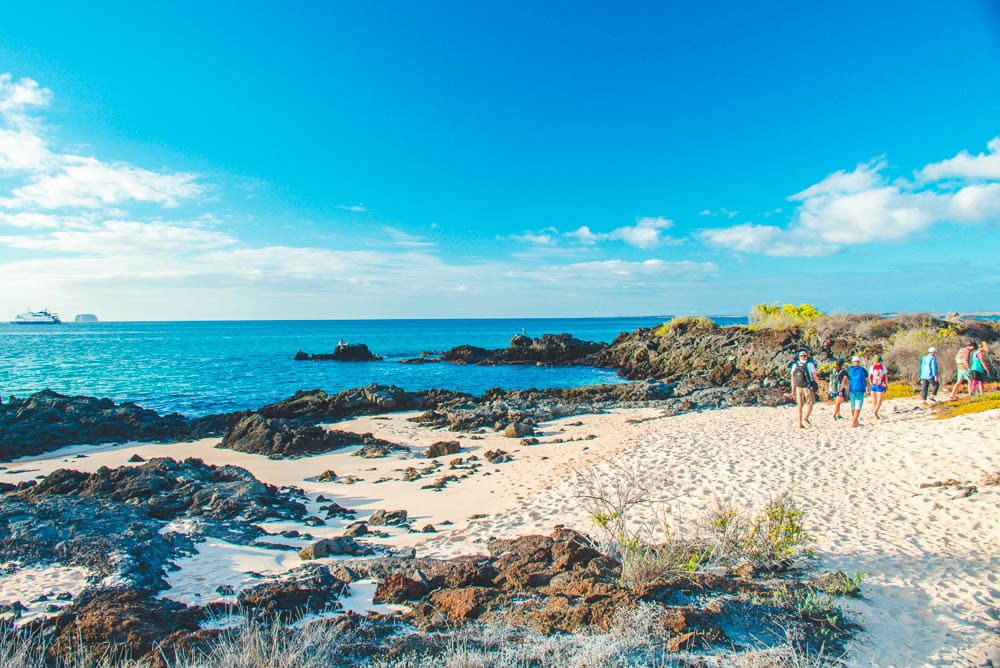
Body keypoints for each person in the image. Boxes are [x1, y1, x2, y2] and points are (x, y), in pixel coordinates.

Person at [790, 350, 818, 428]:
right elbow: (814, 376)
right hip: (807, 387)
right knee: (810, 403)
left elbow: (792, 378)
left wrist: (793, 389)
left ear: (799, 357)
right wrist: (818, 384)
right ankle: (805, 418)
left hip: (798, 387)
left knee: (799, 405)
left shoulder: (795, 365)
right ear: (806, 356)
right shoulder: (809, 364)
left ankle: (799, 423)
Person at [842, 355, 870, 427]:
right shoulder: (863, 370)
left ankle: (855, 420)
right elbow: (867, 380)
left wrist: (846, 387)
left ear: (852, 362)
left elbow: (844, 380)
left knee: (853, 405)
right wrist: (868, 388)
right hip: (860, 389)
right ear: (859, 362)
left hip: (852, 389)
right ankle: (854, 421)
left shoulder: (848, 369)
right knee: (858, 406)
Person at [868, 354, 888, 420]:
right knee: (879, 401)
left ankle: (875, 414)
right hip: (880, 385)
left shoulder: (871, 367)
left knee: (874, 401)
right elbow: (885, 377)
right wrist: (886, 385)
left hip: (873, 385)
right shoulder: (883, 367)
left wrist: (869, 385)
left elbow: (870, 377)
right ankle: (875, 412)